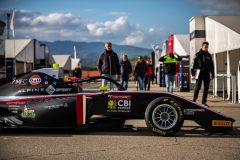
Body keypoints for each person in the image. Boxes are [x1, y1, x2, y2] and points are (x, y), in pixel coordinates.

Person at [191, 41, 214, 107]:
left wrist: (212, 74)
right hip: (199, 72)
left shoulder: (209, 55)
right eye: (205, 47)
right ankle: (194, 100)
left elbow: (211, 65)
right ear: (202, 46)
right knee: (198, 87)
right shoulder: (198, 54)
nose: (206, 48)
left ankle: (204, 102)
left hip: (207, 73)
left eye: (207, 47)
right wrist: (192, 74)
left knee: (206, 88)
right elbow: (192, 64)